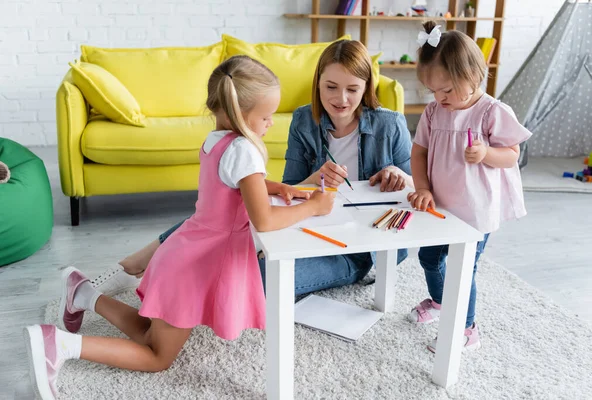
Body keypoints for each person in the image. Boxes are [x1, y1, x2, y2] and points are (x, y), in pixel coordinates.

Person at [23, 55, 336, 400]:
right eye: (265, 117)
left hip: (185, 254)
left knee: (149, 334)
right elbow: (264, 220)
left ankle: (83, 293)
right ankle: (61, 345)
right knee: (157, 357)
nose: (269, 124)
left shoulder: (217, 139)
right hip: (193, 269)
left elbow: (233, 185)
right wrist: (313, 206)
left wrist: (278, 188)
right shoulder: (245, 150)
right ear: (241, 114)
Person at [91, 39, 414, 298]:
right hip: (308, 228)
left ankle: (175, 283)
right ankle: (132, 266)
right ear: (317, 84)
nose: (340, 99)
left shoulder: (391, 124)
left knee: (255, 279)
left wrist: (402, 178)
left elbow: (414, 193)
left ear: (366, 87)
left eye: (352, 89)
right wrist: (314, 180)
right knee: (213, 217)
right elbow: (289, 188)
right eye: (330, 87)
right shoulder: (305, 120)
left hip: (361, 247)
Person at [406, 22, 531, 352]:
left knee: (464, 269)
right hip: (439, 206)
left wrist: (487, 153)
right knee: (430, 259)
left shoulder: (491, 112)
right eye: (433, 90)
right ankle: (440, 303)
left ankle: (467, 327)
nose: (439, 98)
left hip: (475, 210)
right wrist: (422, 188)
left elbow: (511, 156)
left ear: (473, 76)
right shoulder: (434, 112)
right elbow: (418, 152)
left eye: (446, 90)